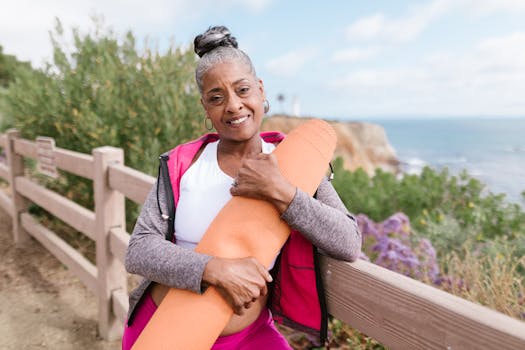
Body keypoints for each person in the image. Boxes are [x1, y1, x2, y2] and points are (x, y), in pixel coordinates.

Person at [122, 25, 362, 350]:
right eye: (216, 98)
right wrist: (214, 269)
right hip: (166, 330)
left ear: (261, 91)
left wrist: (282, 193)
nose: (233, 105)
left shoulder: (292, 163)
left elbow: (348, 242)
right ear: (206, 109)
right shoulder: (185, 164)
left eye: (243, 90)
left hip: (248, 338)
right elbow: (139, 250)